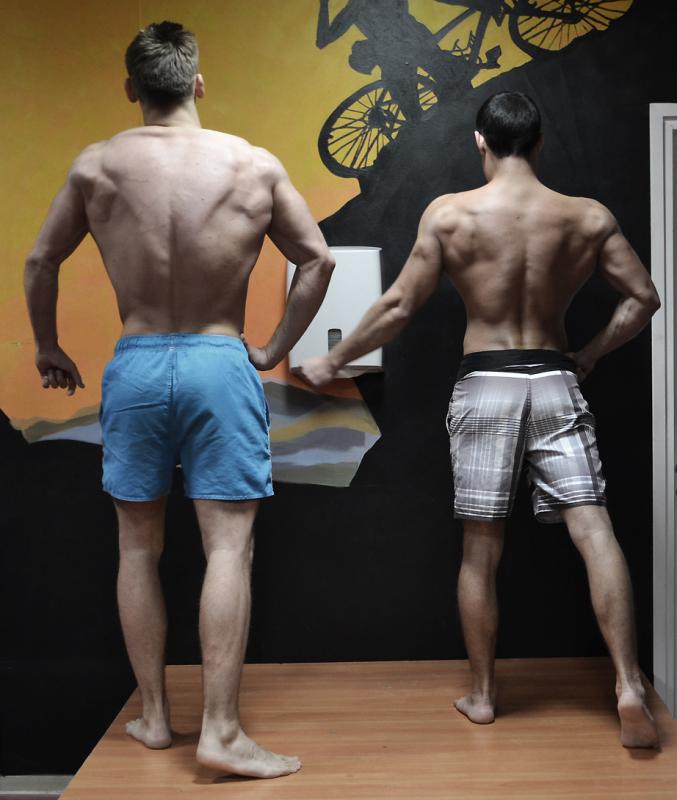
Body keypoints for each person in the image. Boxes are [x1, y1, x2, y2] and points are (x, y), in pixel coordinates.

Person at [299, 91, 661, 749]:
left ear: (479, 141)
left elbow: (399, 305)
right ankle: (629, 683)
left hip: (487, 382)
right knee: (594, 530)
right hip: (553, 378)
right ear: (539, 142)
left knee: (481, 547)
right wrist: (588, 353)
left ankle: (484, 695)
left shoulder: (450, 215)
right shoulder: (587, 218)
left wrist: (335, 358)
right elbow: (643, 298)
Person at [24, 21, 335, 778]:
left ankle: (157, 718)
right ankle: (221, 732)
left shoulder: (97, 165)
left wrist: (48, 345)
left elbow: (40, 260)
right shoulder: (251, 164)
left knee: (138, 547)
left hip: (136, 364)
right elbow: (317, 260)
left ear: (131, 88)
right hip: (218, 359)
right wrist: (273, 348)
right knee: (227, 547)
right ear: (197, 83)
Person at [317, 0, 463, 121]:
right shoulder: (357, 5)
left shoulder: (355, 6)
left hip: (403, 48)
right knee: (449, 85)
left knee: (447, 88)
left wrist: (324, 5)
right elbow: (322, 41)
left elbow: (322, 41)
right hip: (409, 44)